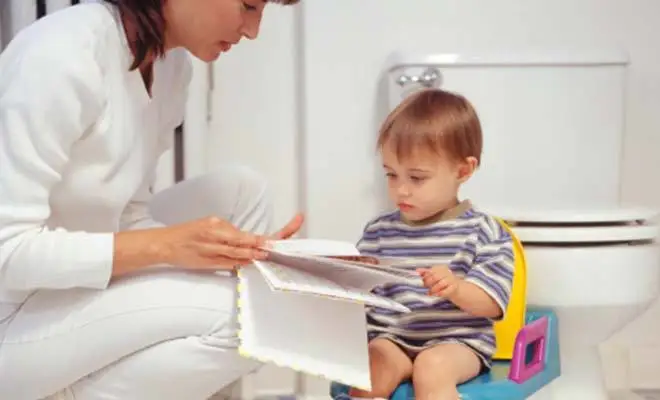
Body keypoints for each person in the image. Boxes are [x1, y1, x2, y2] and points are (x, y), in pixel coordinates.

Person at [0, 0, 302, 399]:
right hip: (13, 319)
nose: (253, 30)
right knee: (259, 319)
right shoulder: (60, 55)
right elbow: (6, 251)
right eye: (249, 5)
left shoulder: (172, 68)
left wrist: (224, 258)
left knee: (243, 193)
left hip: (73, 280)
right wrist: (169, 246)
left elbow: (129, 212)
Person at [344, 89, 515, 400]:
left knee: (431, 368)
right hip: (392, 338)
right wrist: (349, 279)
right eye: (391, 175)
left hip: (457, 342)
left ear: (463, 171)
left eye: (417, 178)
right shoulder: (379, 230)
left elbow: (492, 303)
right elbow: (362, 297)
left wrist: (457, 289)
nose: (401, 190)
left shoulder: (483, 231)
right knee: (369, 371)